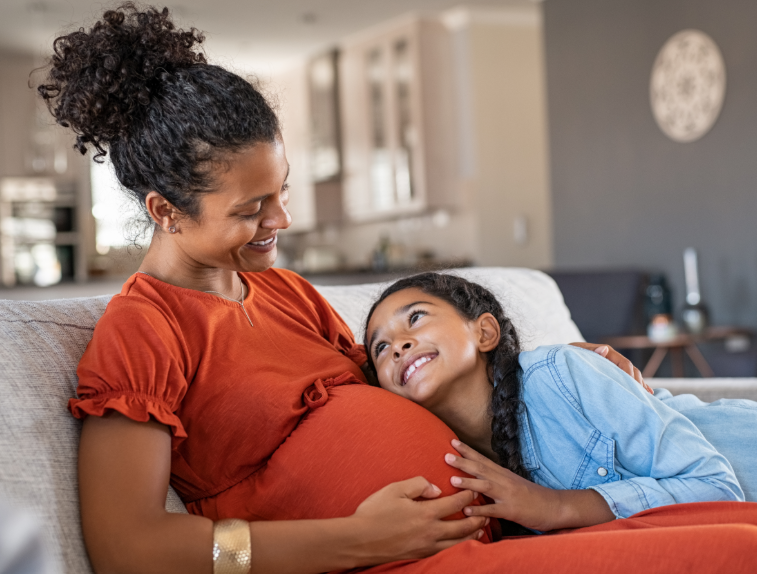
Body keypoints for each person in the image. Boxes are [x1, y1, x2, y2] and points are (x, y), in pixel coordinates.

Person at [40, 3, 757, 573]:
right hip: (400, 562)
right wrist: (354, 539)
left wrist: (557, 369)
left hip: (500, 532)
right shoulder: (145, 328)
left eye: (280, 193)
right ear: (165, 210)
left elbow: (420, 380)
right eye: (250, 209)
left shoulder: (284, 292)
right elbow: (128, 548)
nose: (280, 221)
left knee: (743, 520)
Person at [364, 272, 757, 532]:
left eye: (415, 318)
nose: (398, 345)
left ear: (484, 332)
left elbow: (716, 487)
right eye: (380, 347)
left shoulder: (558, 374)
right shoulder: (456, 462)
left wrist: (559, 507)